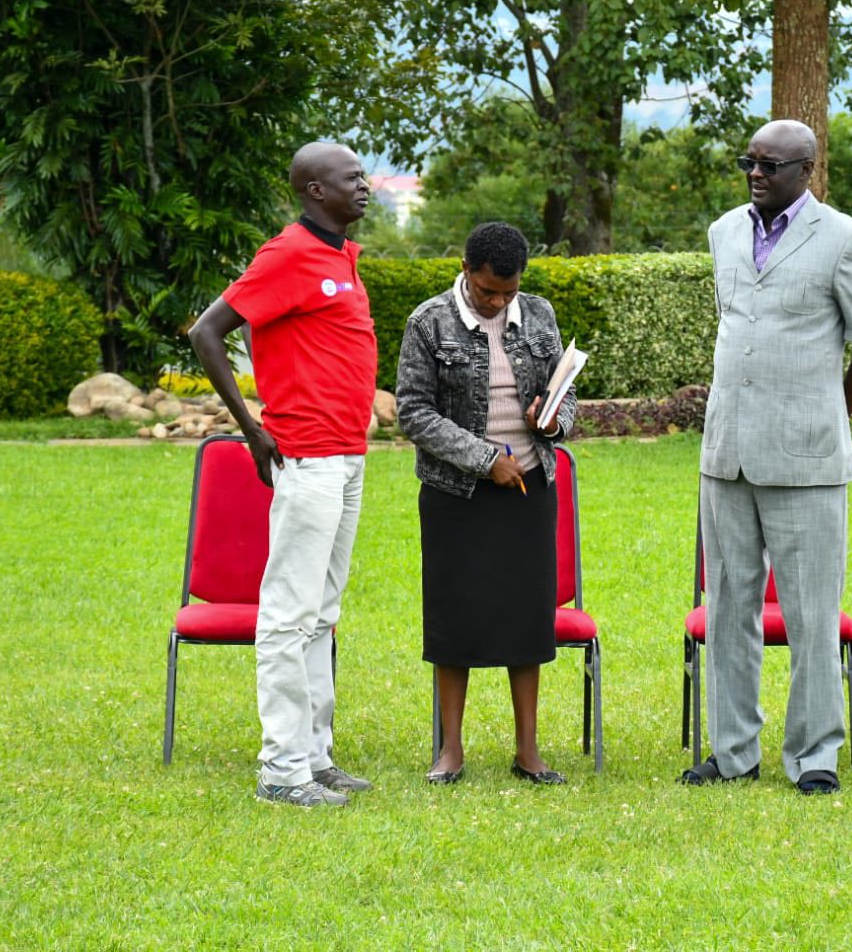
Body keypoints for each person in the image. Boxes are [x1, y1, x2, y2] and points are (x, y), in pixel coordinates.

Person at [682, 119, 852, 795]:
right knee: (728, 610)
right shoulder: (722, 232)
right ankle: (733, 750)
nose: (755, 173)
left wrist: (831, 411)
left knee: (810, 616)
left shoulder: (842, 238)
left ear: (807, 169)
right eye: (749, 161)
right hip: (727, 454)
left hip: (806, 458)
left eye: (770, 165)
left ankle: (813, 756)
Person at [187, 141, 378, 809]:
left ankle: (315, 756)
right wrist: (250, 427)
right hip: (308, 456)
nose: (364, 187)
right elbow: (207, 332)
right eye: (350, 179)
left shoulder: (340, 256)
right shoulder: (288, 254)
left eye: (362, 176)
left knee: (322, 614)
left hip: (347, 455)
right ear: (312, 190)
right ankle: (280, 770)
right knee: (289, 615)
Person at [395, 222, 577, 786]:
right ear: (467, 271)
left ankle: (529, 752)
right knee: (456, 618)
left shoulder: (540, 314)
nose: (498, 302)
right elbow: (414, 412)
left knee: (527, 619)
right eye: (487, 291)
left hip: (530, 489)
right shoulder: (429, 322)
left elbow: (566, 391)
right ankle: (451, 751)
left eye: (508, 292)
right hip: (457, 495)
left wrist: (552, 418)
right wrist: (482, 457)